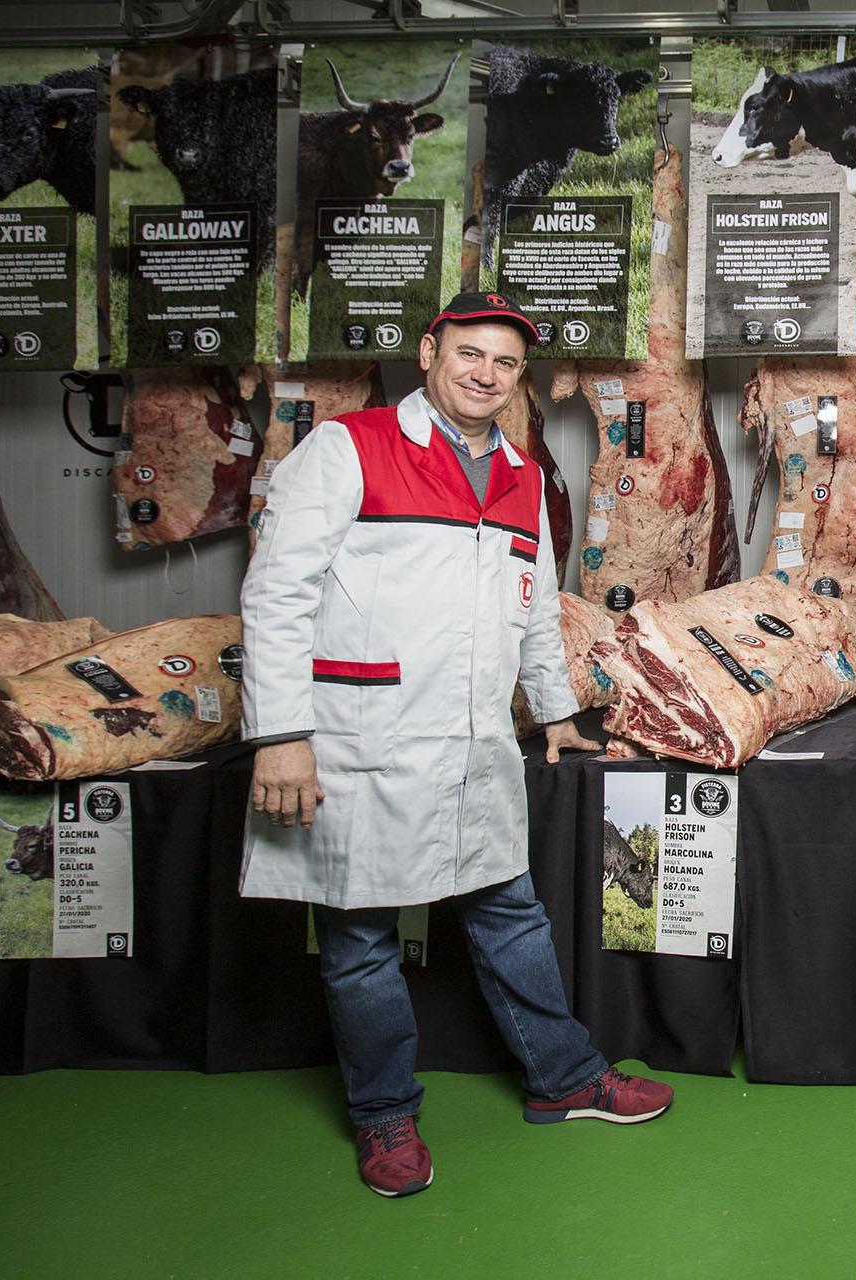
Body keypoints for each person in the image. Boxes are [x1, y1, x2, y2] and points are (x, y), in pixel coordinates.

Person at [238, 291, 672, 1199]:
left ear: (520, 379)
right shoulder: (349, 447)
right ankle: (383, 1113)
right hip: (361, 737)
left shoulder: (520, 474)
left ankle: (564, 1079)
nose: (486, 375)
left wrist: (555, 712)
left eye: (506, 364)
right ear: (431, 351)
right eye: (470, 354)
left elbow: (536, 615)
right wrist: (280, 736)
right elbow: (274, 594)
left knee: (509, 913)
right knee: (359, 937)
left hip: (473, 742)